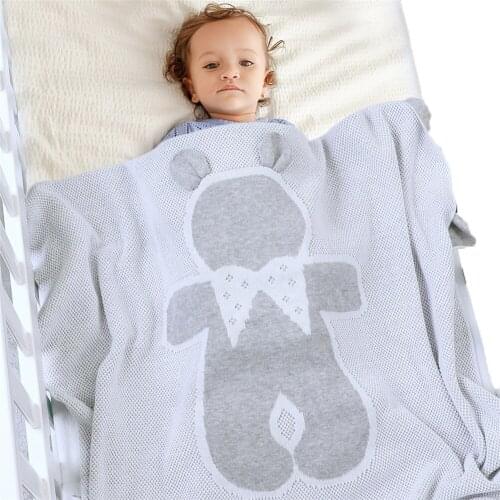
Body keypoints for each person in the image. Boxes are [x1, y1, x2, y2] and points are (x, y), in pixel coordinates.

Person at [162, 2, 293, 140]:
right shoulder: (186, 136)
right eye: (211, 65)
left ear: (265, 83)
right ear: (192, 88)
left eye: (246, 63)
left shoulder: (281, 133)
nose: (230, 72)